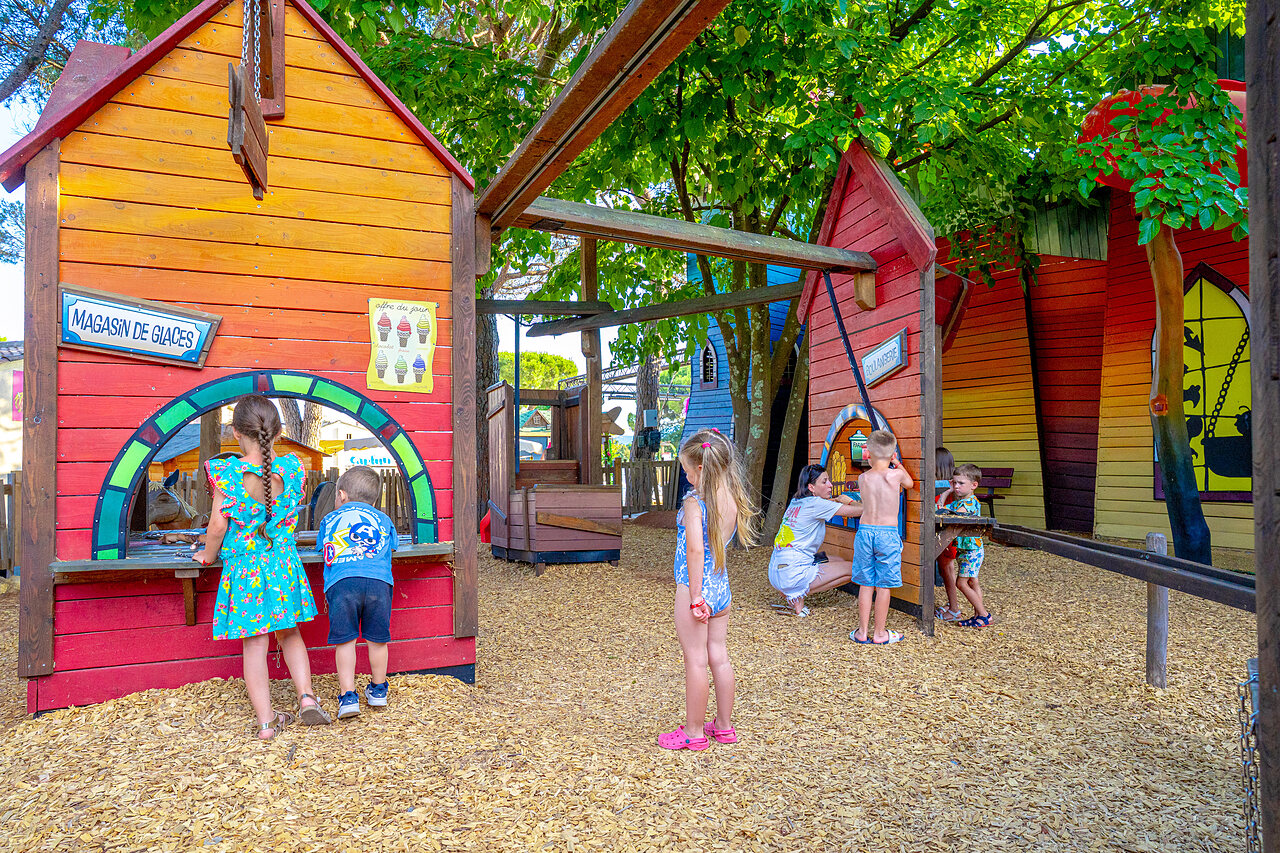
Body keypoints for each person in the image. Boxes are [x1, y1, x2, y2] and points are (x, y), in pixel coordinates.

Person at [193, 396, 330, 739]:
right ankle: (307, 698)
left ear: (236, 433)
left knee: (255, 646)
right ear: (279, 432)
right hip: (284, 566)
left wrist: (206, 555)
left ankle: (267, 723)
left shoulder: (227, 473)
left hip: (246, 573)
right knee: (290, 633)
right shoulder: (293, 469)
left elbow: (217, 527)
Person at [659, 429, 759, 751]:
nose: (687, 477)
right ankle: (725, 727)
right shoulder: (731, 496)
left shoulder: (694, 503)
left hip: (696, 587)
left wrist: (695, 596)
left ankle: (694, 732)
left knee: (695, 660)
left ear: (701, 468)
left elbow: (694, 550)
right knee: (719, 656)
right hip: (721, 587)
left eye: (688, 470)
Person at [315, 465, 398, 719]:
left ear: (341, 495)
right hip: (378, 584)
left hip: (342, 584)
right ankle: (378, 690)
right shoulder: (384, 519)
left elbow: (321, 548)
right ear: (374, 500)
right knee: (377, 640)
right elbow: (392, 546)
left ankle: (348, 696)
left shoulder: (329, 519)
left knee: (346, 641)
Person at [768, 464, 862, 616]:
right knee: (853, 569)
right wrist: (850, 501)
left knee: (836, 560)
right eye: (824, 482)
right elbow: (861, 511)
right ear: (811, 487)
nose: (830, 485)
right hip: (792, 573)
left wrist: (837, 500)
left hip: (776, 570)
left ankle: (792, 596)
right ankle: (796, 594)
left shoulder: (797, 501)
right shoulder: (816, 504)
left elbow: (825, 505)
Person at [849, 430, 914, 646]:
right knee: (883, 585)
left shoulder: (863, 478)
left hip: (865, 531)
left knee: (865, 583)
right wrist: (897, 463)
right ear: (892, 453)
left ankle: (862, 632)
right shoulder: (895, 475)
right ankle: (879, 633)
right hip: (887, 533)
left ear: (867, 454)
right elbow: (910, 484)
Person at [938, 463, 993, 627]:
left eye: (961, 483)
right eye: (954, 483)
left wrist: (944, 507)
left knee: (961, 583)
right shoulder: (958, 502)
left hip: (972, 550)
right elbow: (940, 508)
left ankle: (984, 615)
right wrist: (947, 491)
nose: (956, 486)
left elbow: (951, 516)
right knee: (972, 582)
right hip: (965, 550)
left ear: (974, 485)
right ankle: (978, 616)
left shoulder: (970, 503)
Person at [934, 447, 963, 623]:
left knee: (947, 569)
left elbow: (939, 509)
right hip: (947, 535)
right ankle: (952, 605)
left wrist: (944, 494)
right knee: (945, 570)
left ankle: (954, 610)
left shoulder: (946, 487)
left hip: (946, 536)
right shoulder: (952, 484)